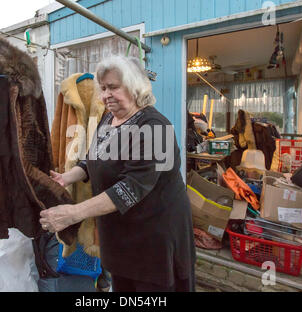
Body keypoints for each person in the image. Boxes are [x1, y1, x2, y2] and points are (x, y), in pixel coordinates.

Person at [40, 56, 196, 292]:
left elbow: (130, 188)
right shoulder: (109, 119)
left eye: (113, 87)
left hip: (154, 238)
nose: (105, 95)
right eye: (102, 89)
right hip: (121, 235)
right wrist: (68, 177)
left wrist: (74, 213)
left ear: (135, 86)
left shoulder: (156, 128)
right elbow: (95, 157)